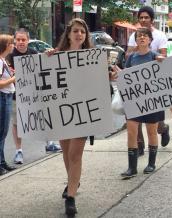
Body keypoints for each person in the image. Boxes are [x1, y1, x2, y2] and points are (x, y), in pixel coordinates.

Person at [47, 18, 94, 216]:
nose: (79, 34)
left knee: (75, 154)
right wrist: (46, 58)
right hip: (61, 111)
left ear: (85, 36)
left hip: (83, 111)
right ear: (68, 34)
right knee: (66, 153)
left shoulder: (92, 57)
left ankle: (71, 197)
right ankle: (72, 182)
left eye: (82, 32)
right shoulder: (56, 56)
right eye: (75, 31)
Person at [6, 28, 61, 165]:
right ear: (14, 40)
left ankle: (49, 143)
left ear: (28, 40)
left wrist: (49, 54)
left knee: (43, 116)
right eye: (18, 39)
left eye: (23, 39)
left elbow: (44, 67)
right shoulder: (9, 56)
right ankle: (19, 151)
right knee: (17, 124)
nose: (20, 42)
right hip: (15, 96)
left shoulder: (34, 53)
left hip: (34, 94)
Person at [121, 27, 164, 179]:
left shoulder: (155, 56)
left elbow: (165, 74)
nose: (142, 38)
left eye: (145, 36)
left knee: (151, 131)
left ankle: (151, 163)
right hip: (134, 100)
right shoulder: (131, 58)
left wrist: (162, 63)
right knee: (131, 132)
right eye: (139, 36)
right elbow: (124, 76)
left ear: (150, 40)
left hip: (152, 101)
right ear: (136, 40)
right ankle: (131, 167)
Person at [126, 6, 170, 153]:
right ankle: (139, 146)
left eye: (146, 17)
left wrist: (157, 57)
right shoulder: (134, 36)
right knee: (136, 119)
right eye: (141, 17)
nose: (143, 20)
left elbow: (165, 56)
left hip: (154, 85)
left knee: (155, 124)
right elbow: (129, 53)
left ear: (151, 19)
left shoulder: (160, 35)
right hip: (138, 84)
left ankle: (163, 129)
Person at [0, 34, 16, 175]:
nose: (13, 45)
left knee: (3, 133)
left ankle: (2, 162)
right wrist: (14, 79)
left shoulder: (3, 60)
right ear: (5, 46)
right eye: (11, 43)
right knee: (2, 132)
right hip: (3, 97)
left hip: (6, 97)